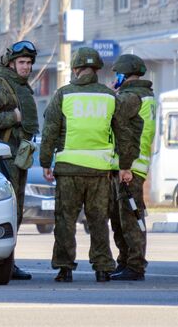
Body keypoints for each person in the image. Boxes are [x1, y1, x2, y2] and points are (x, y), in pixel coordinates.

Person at [40, 47, 121, 283]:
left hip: (68, 170)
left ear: (75, 69)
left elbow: (50, 132)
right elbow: (122, 133)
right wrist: (122, 164)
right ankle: (103, 268)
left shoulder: (63, 95)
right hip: (99, 171)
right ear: (96, 69)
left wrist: (46, 161)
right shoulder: (109, 96)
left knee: (65, 221)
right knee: (98, 220)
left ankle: (65, 269)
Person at [0, 40, 39, 280]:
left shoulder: (22, 86)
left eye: (29, 63)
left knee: (18, 212)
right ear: (11, 63)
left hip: (20, 155)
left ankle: (9, 262)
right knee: (8, 211)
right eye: (22, 62)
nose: (26, 67)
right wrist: (12, 117)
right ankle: (3, 263)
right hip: (4, 156)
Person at [108, 54, 156, 281]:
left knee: (130, 219)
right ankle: (126, 262)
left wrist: (124, 166)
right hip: (137, 164)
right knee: (126, 217)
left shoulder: (131, 97)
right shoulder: (145, 95)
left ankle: (135, 266)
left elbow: (123, 130)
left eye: (116, 74)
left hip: (130, 166)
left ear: (123, 75)